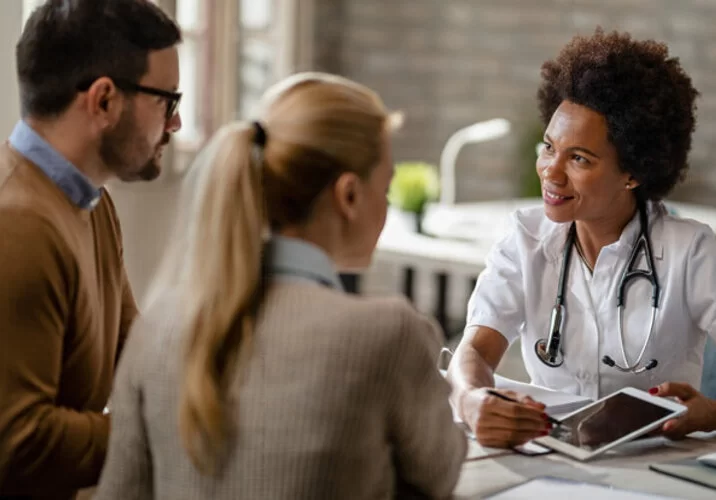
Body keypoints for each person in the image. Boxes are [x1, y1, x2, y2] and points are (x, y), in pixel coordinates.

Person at [94, 72, 466, 500]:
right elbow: (441, 474)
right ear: (348, 196)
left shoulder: (158, 325)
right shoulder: (388, 335)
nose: (386, 203)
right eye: (385, 186)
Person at [447, 29, 716, 449]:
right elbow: (475, 350)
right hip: (549, 461)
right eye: (549, 148)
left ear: (633, 172)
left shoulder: (688, 253)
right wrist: (470, 399)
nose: (551, 172)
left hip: (656, 468)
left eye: (579, 158)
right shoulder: (526, 238)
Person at [0, 1, 182, 498]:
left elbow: (137, 359)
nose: (177, 123)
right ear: (103, 101)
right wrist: (171, 431)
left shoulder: (90, 203)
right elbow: (18, 441)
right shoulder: (17, 224)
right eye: (167, 100)